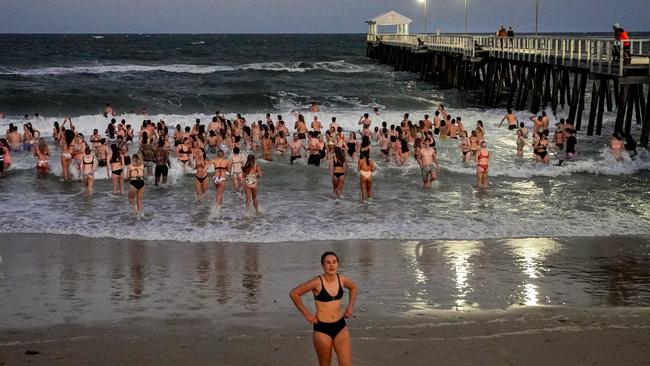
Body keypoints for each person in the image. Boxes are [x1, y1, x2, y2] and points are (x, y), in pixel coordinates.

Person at [290, 252, 357, 366]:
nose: (331, 265)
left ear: (338, 264)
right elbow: (294, 294)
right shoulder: (317, 282)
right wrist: (308, 315)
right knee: (325, 364)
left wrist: (350, 307)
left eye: (334, 262)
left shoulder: (342, 279)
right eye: (328, 262)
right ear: (323, 265)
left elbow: (353, 287)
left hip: (340, 326)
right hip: (322, 329)